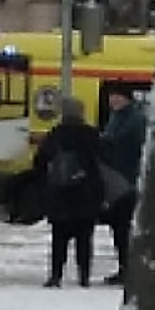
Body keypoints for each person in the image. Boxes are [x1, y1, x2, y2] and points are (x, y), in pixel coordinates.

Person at [34, 96, 105, 288]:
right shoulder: (91, 135)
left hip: (60, 195)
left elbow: (40, 161)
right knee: (84, 239)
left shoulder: (55, 134)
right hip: (86, 195)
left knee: (59, 238)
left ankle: (56, 275)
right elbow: (103, 161)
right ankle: (84, 276)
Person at [100, 83, 147, 285]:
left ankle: (129, 268)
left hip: (126, 179)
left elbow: (128, 145)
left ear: (127, 98)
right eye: (111, 97)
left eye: (117, 96)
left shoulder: (133, 119)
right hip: (117, 178)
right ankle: (125, 267)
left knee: (123, 227)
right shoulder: (118, 117)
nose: (113, 100)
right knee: (119, 227)